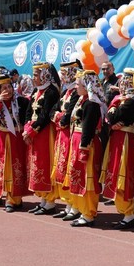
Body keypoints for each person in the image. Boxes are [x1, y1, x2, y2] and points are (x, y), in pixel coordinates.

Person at [100, 68, 134, 229]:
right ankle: (125, 213)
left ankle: (129, 214)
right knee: (116, 173)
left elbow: (112, 117)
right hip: (117, 139)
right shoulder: (121, 100)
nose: (123, 85)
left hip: (126, 140)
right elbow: (109, 119)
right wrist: (112, 116)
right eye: (122, 82)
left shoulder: (132, 101)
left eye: (126, 82)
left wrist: (113, 112)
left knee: (123, 175)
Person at [66, 69, 106, 227]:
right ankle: (80, 208)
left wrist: (83, 147)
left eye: (78, 83)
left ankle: (88, 213)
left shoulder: (91, 103)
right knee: (78, 176)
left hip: (86, 144)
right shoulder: (81, 100)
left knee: (88, 179)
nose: (76, 86)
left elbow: (88, 127)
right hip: (77, 141)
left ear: (86, 84)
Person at [24, 62, 61, 215]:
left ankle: (50, 201)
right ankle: (43, 200)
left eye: (36, 75)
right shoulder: (36, 91)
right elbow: (28, 111)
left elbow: (45, 116)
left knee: (45, 163)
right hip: (34, 133)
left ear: (45, 75)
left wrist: (32, 131)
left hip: (45, 133)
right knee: (37, 164)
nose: (34, 78)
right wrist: (27, 128)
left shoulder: (51, 92)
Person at [50, 61, 81, 221]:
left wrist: (59, 117)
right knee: (61, 169)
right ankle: (67, 203)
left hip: (69, 136)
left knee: (70, 169)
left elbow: (68, 116)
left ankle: (74, 205)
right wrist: (58, 116)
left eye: (64, 73)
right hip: (61, 136)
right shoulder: (65, 92)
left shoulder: (76, 92)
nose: (62, 77)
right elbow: (52, 111)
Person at [0, 71, 30, 212]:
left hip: (16, 139)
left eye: (9, 87)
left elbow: (28, 117)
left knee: (15, 168)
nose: (8, 90)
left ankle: (14, 199)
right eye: (4, 88)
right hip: (3, 138)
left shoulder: (21, 101)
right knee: (1, 167)